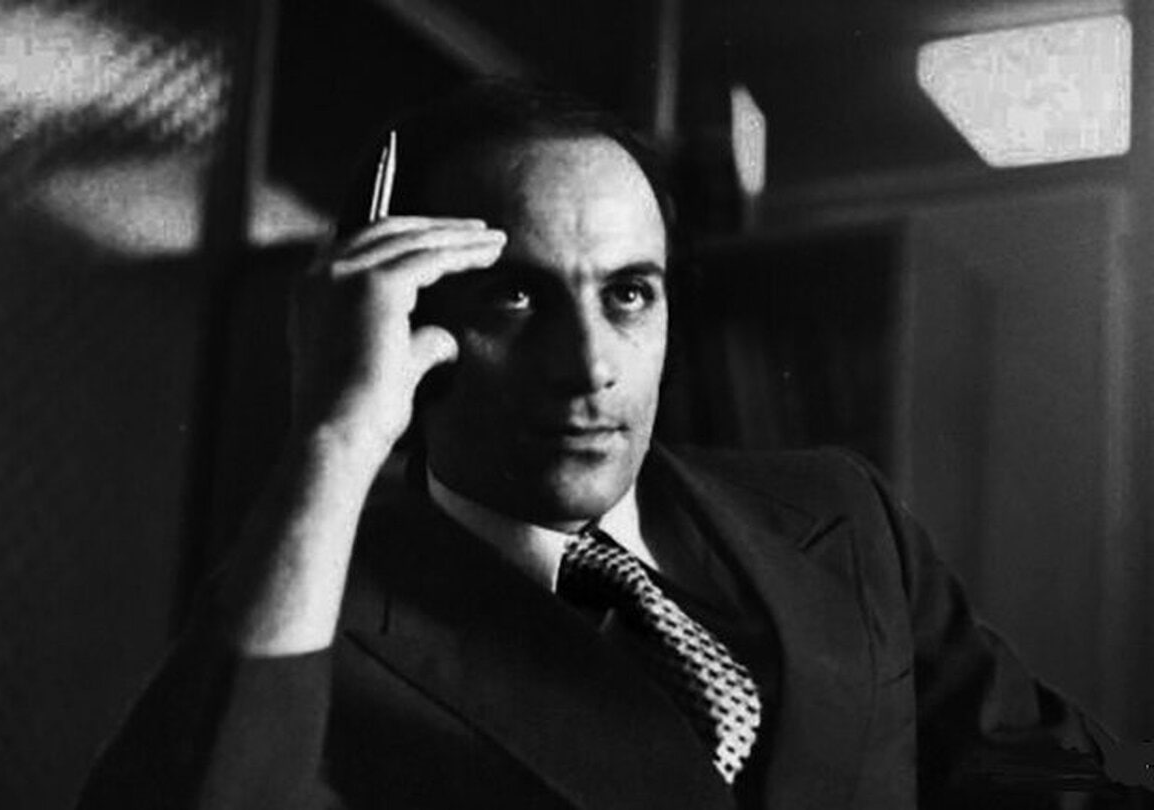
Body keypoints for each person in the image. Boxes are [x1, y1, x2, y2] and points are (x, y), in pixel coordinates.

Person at [78, 82, 1135, 810]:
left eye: (629, 295)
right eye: (514, 298)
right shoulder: (315, 626)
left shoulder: (838, 514)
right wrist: (334, 436)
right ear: (406, 322)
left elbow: (1042, 775)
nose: (589, 365)